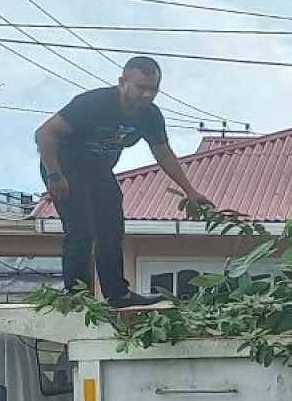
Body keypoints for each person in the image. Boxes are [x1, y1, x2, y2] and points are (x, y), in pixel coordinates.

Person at [35, 55, 212, 309]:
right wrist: (55, 175)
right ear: (123, 82)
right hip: (65, 167)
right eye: (142, 88)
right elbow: (44, 134)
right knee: (81, 229)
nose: (147, 95)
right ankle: (76, 296)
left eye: (153, 90)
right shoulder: (93, 104)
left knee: (111, 229)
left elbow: (163, 152)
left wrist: (190, 191)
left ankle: (118, 294)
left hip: (99, 171)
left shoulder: (149, 116)